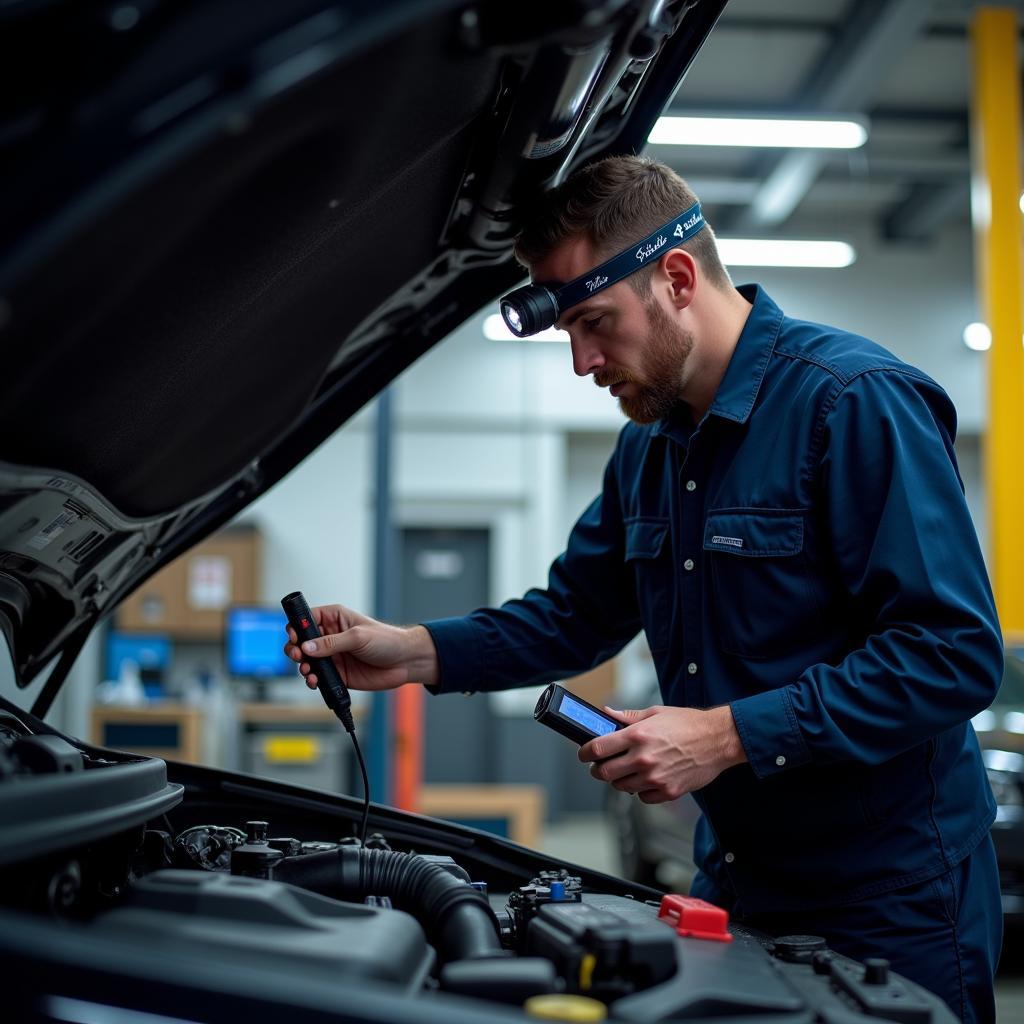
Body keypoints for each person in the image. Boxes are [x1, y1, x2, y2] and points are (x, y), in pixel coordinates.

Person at [284, 156, 1003, 1023]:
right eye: (570, 336)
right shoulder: (650, 448)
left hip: (890, 899)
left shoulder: (852, 403)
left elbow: (952, 654)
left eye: (595, 323)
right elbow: (576, 615)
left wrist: (727, 735)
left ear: (676, 277)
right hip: (735, 879)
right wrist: (412, 651)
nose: (585, 361)